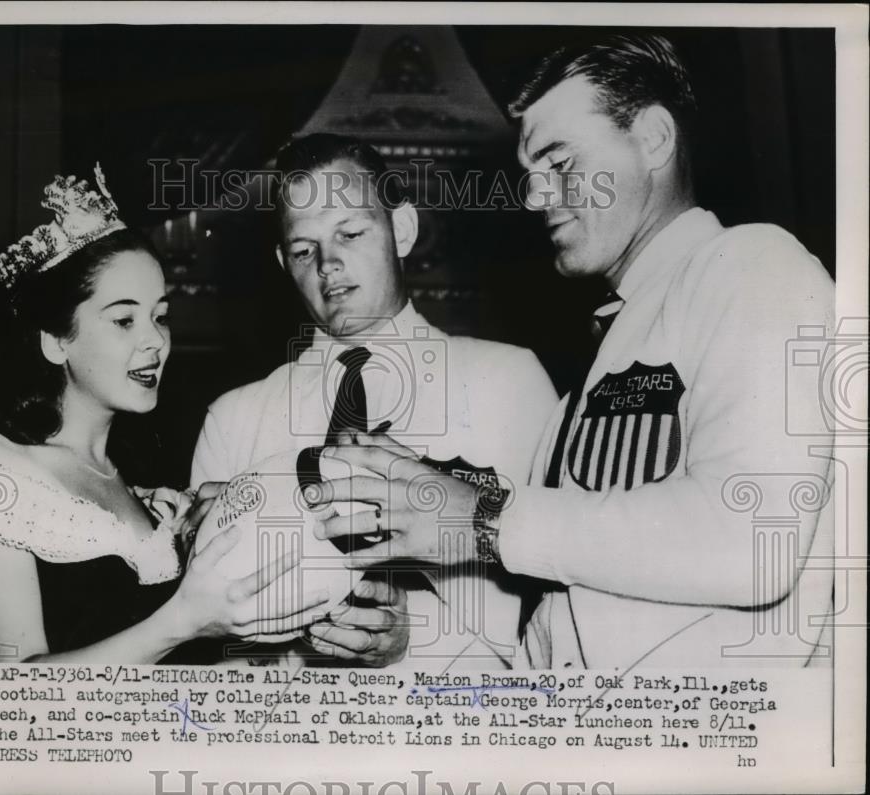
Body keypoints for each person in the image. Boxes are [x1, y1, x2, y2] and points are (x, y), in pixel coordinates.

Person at [311, 34, 835, 668]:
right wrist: (432, 493)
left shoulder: (752, 267)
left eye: (560, 164)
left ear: (653, 139)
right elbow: (560, 618)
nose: (534, 197)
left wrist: (483, 516)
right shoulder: (596, 363)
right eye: (530, 176)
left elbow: (756, 541)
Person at [0, 165, 331, 662]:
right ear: (55, 341)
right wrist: (183, 620)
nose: (155, 340)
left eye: (160, 316)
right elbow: (13, 691)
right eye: (124, 319)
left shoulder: (142, 485)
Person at [191, 134, 557, 668]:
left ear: (401, 230)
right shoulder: (233, 419)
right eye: (303, 249)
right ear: (281, 261)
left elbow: (556, 606)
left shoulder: (509, 381)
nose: (327, 264)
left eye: (351, 232)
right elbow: (211, 646)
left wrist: (416, 636)